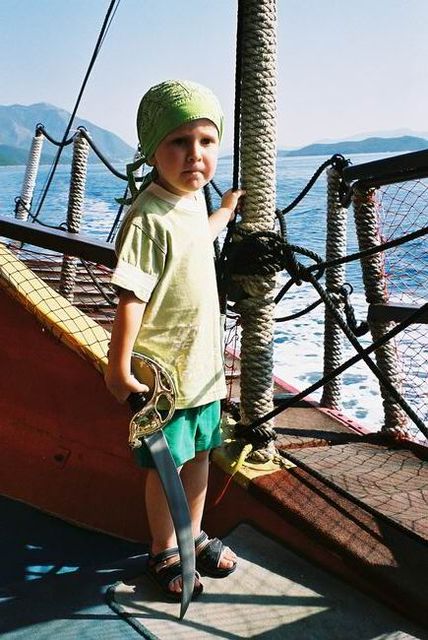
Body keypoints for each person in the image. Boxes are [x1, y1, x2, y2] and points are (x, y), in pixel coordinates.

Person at [105, 80, 243, 601]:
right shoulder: (147, 218)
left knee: (203, 454)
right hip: (166, 376)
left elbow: (196, 237)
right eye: (178, 142)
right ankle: (164, 549)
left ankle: (193, 534)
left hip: (203, 368)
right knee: (169, 466)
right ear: (151, 151)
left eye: (206, 142)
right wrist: (118, 368)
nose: (194, 155)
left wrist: (224, 212)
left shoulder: (189, 200)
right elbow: (131, 298)